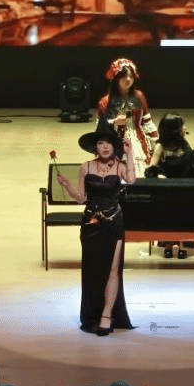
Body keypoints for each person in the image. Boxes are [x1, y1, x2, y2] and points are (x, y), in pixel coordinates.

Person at [56, 119, 136, 335]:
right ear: (95, 147)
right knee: (92, 270)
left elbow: (131, 180)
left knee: (112, 268)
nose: (105, 147)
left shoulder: (119, 166)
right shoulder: (86, 167)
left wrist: (129, 154)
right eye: (100, 143)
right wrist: (67, 186)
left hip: (114, 222)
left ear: (114, 146)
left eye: (108, 143)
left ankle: (107, 315)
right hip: (91, 224)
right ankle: (92, 313)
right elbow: (81, 198)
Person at [146, 112, 194, 259]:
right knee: (170, 207)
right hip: (167, 190)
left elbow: (191, 163)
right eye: (181, 125)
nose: (184, 128)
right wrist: (158, 175)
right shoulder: (160, 146)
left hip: (185, 189)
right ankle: (169, 244)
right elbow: (151, 167)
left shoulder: (184, 144)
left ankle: (183, 243)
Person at [97, 58, 157, 175]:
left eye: (131, 76)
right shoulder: (105, 102)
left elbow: (148, 123)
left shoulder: (139, 96)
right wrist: (114, 122)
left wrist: (155, 144)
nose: (128, 79)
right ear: (116, 78)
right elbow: (99, 130)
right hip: (114, 145)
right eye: (124, 76)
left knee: (139, 175)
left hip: (137, 144)